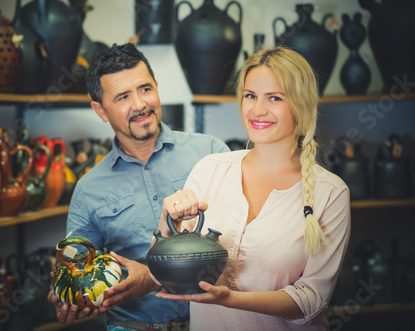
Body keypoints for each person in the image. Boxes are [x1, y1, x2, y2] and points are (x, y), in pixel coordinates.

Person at [154, 46, 351, 330]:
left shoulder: (330, 193)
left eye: (275, 98)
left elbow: (311, 300)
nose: (258, 110)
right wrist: (166, 222)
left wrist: (228, 298)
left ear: (300, 104)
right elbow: (164, 273)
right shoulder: (210, 169)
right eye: (250, 96)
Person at [47, 43, 230, 330]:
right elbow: (74, 261)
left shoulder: (212, 153)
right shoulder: (88, 189)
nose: (140, 104)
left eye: (145, 89)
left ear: (157, 87)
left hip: (218, 321)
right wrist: (67, 292)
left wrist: (152, 277)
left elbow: (245, 242)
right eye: (122, 96)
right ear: (100, 110)